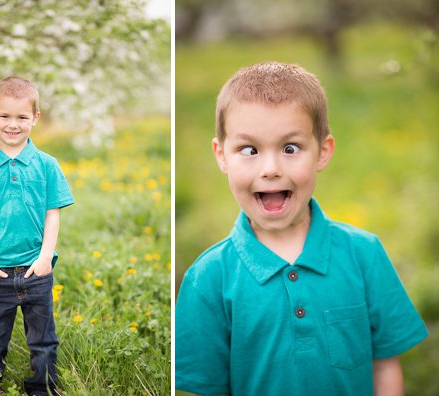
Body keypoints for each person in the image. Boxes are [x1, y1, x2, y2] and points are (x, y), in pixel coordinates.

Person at [175, 62, 428, 395]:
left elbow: (384, 364)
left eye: (290, 148)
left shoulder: (364, 254)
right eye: (248, 150)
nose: (270, 169)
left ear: (322, 152)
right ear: (221, 156)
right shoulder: (209, 276)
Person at [0, 76, 74, 395]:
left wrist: (45, 258)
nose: (13, 125)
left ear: (35, 118)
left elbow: (53, 214)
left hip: (36, 271)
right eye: (5, 116)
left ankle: (42, 388)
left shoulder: (47, 166)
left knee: (43, 340)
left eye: (22, 117)